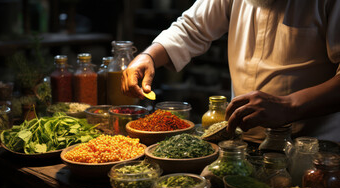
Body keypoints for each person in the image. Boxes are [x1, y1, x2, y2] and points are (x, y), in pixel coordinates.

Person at [121, 0, 340, 143]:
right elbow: (192, 28)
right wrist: (148, 56)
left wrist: (289, 106)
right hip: (242, 139)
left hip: (313, 148)